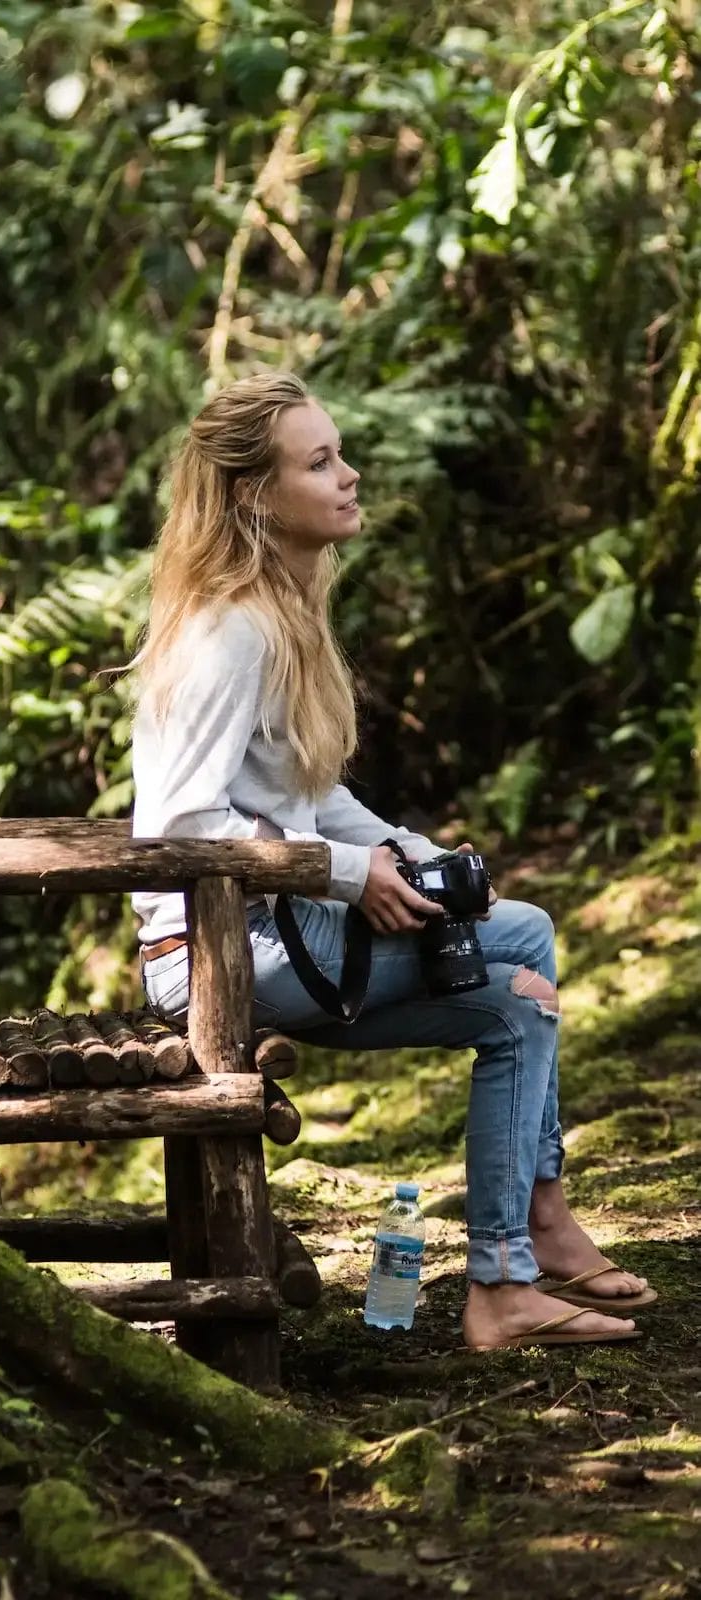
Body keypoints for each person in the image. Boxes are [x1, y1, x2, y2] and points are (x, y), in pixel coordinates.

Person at [129, 371, 655, 1351]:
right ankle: (517, 1256)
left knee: (517, 995)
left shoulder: (277, 612)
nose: (347, 474)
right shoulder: (229, 630)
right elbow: (177, 820)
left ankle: (517, 1259)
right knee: (526, 949)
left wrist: (406, 853)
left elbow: (306, 796)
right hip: (216, 953)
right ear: (252, 495)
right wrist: (344, 874)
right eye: (319, 461)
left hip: (271, 927)